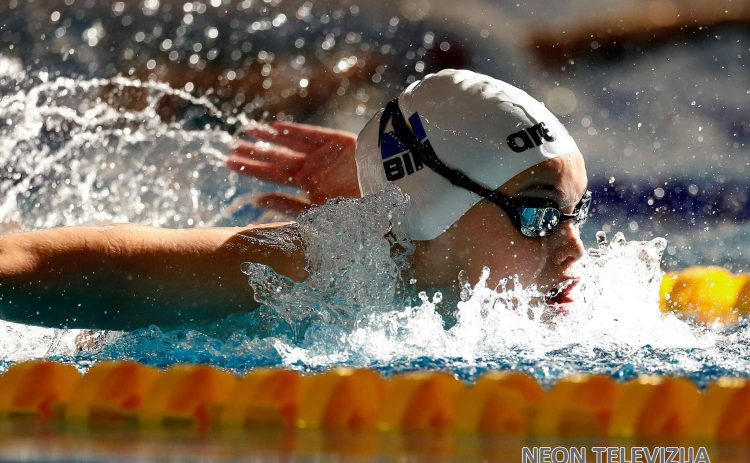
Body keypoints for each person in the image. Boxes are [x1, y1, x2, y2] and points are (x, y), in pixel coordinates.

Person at [0, 69, 588, 330]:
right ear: (436, 209)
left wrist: (381, 186)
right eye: (538, 215)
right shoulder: (325, 272)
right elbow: (120, 273)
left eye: (576, 213)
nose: (575, 250)